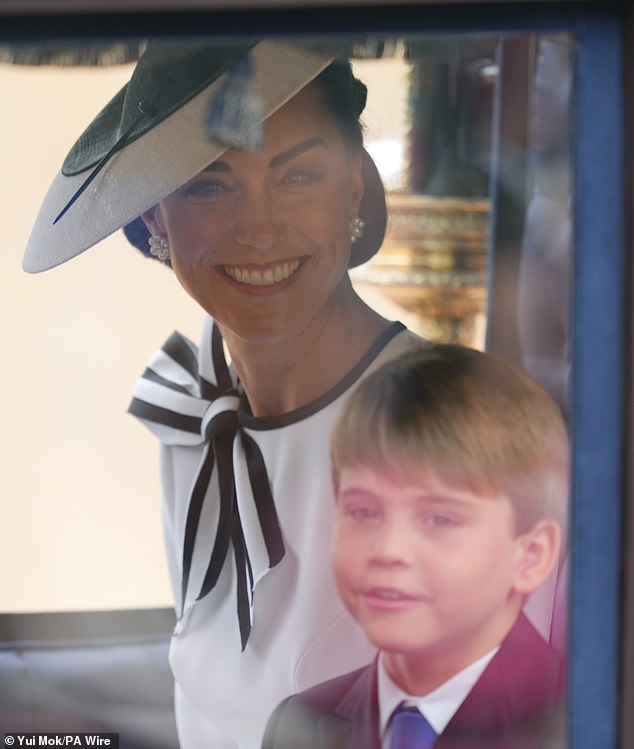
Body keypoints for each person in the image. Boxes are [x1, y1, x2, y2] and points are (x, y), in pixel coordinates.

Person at [23, 40, 424, 748]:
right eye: (210, 184)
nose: (259, 228)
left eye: (297, 174)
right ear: (153, 216)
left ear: (355, 186)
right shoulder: (193, 415)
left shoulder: (441, 429)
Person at [263, 344, 568, 749]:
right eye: (364, 511)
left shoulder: (592, 723)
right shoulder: (297, 725)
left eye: (439, 519)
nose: (388, 549)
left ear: (531, 555)